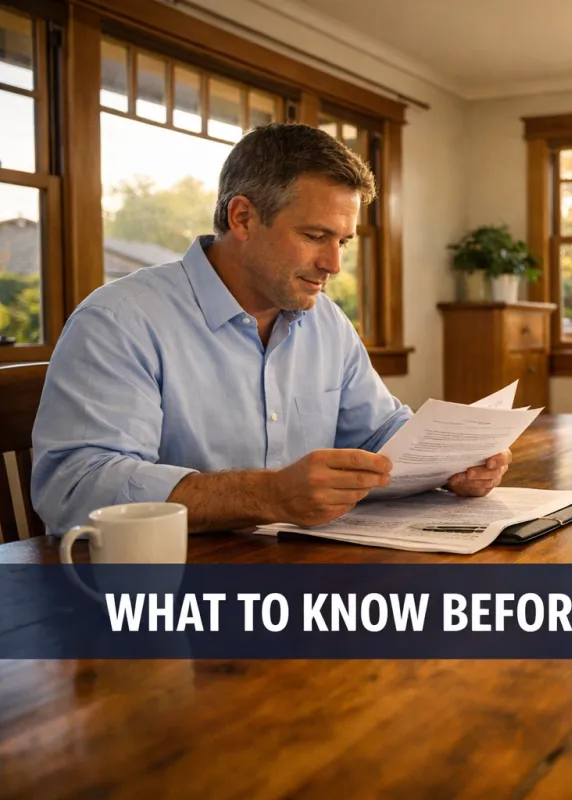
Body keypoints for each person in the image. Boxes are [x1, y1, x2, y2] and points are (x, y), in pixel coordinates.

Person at [33, 123, 510, 534]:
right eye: (314, 236)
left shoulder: (326, 320)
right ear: (242, 217)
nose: (334, 264)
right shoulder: (120, 321)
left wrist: (452, 462)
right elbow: (76, 487)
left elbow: (379, 431)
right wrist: (268, 495)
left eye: (343, 241)